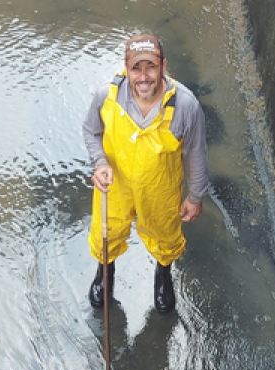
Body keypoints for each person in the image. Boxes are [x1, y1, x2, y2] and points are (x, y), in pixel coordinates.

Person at [82, 33, 209, 314]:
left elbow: (196, 153)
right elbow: (91, 132)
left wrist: (195, 195)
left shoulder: (185, 107)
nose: (144, 77)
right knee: (107, 230)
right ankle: (105, 272)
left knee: (165, 234)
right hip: (115, 185)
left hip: (160, 187)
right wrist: (100, 163)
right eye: (136, 69)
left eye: (150, 67)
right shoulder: (107, 96)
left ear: (164, 66)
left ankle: (163, 275)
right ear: (126, 69)